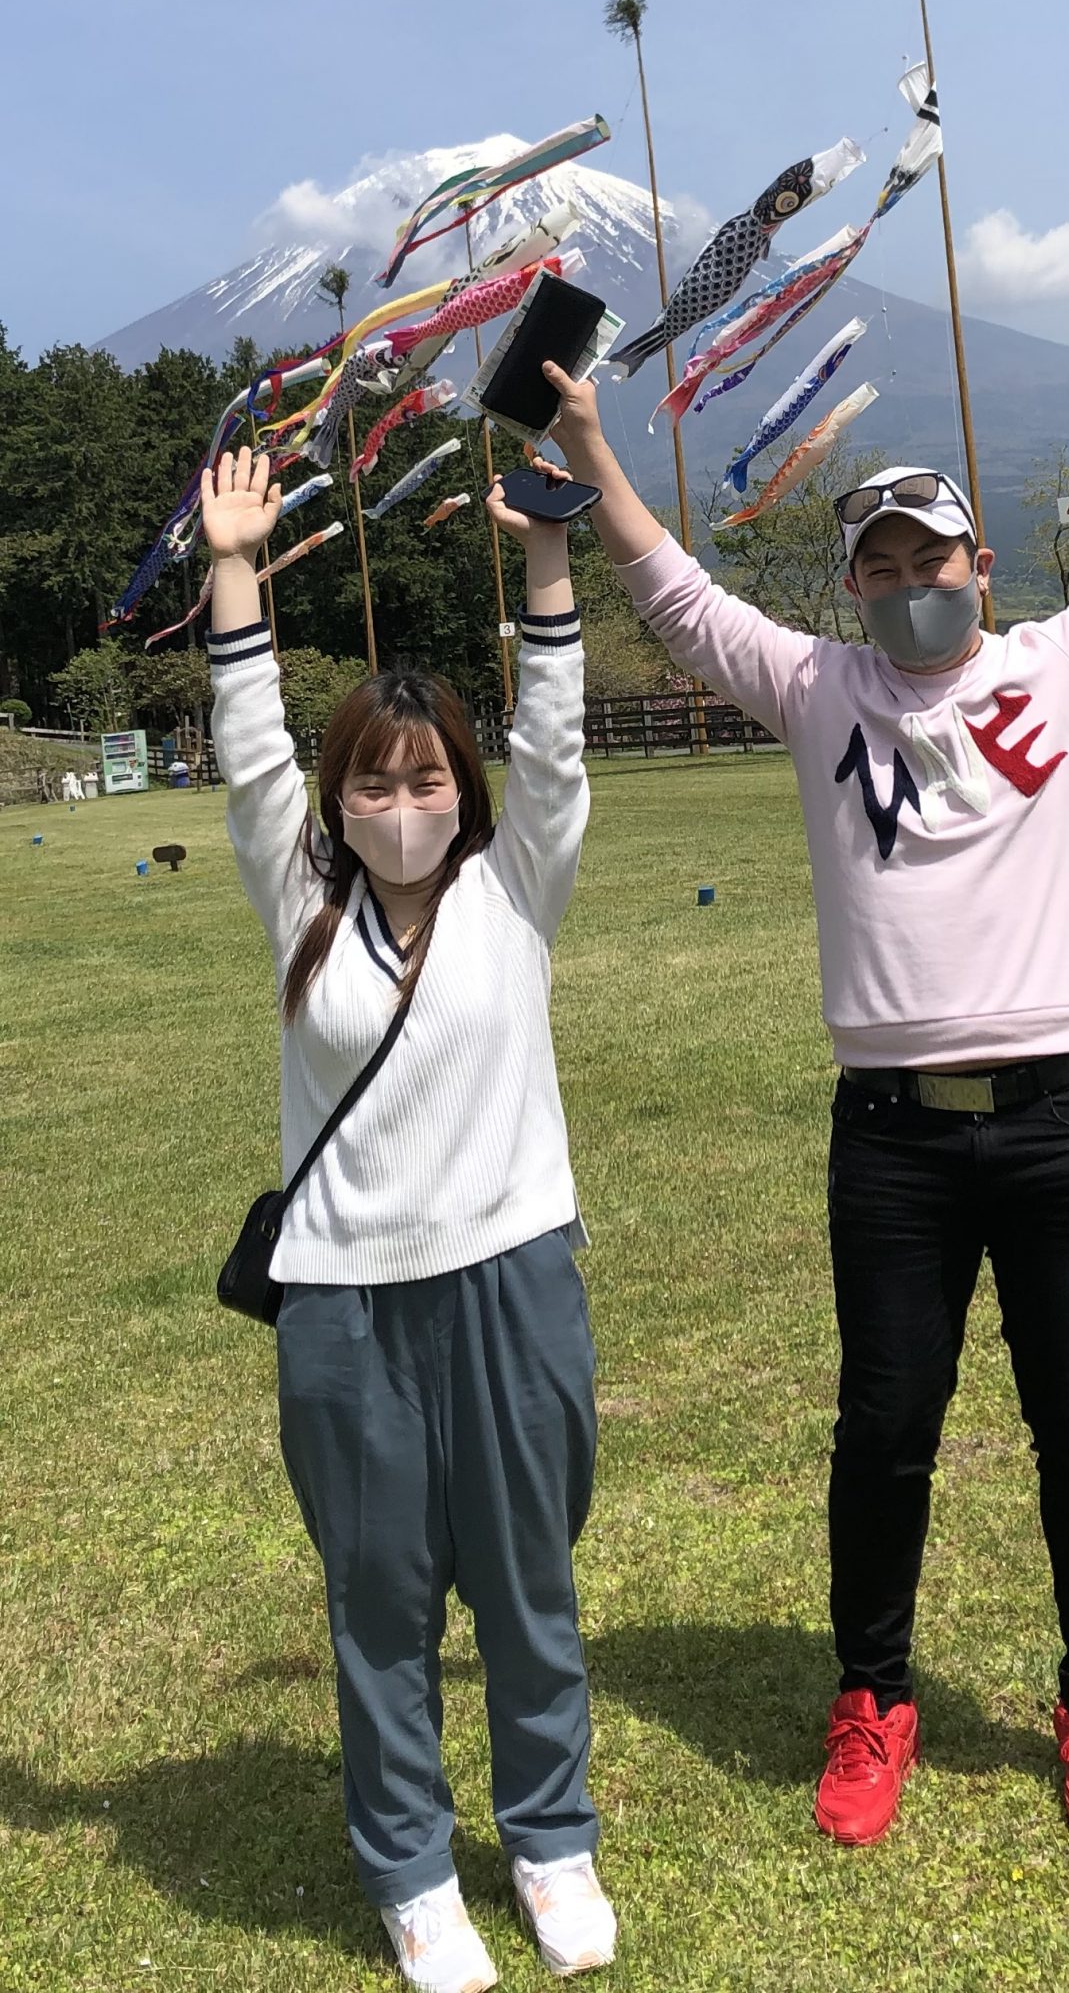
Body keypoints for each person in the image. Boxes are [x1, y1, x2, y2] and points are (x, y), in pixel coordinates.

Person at [543, 229, 1069, 1850]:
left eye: (928, 557)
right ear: (853, 585)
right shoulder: (818, 689)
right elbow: (675, 595)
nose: (904, 586)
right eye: (876, 567)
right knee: (885, 1429)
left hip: (1061, 1108)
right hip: (890, 1131)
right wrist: (594, 446)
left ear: (981, 564)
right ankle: (872, 1700)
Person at [203, 444, 616, 1989]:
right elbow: (250, 750)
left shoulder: (518, 886)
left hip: (515, 1281)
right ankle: (412, 1871)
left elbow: (556, 737)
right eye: (372, 783)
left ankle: (551, 1841)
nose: (400, 805)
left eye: (426, 778)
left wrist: (549, 555)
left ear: (464, 790)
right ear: (340, 798)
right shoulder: (299, 894)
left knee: (528, 1584)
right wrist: (234, 571)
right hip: (343, 1303)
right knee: (378, 1603)